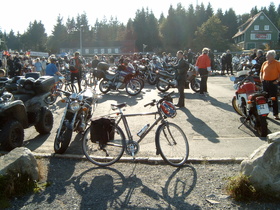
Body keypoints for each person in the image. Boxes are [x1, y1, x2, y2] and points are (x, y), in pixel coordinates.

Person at [260, 50, 280, 120]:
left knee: (274, 98)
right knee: (264, 98)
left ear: (272, 56)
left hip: (273, 83)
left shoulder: (277, 63)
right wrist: (261, 78)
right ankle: (265, 113)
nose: (266, 56)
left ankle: (276, 114)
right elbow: (261, 72)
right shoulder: (265, 63)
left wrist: (277, 81)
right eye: (266, 55)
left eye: (268, 55)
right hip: (265, 83)